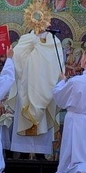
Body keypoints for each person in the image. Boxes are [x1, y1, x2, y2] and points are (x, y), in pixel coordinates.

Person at [8, 19, 65, 159]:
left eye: (45, 21)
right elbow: (17, 61)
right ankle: (23, 154)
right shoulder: (26, 39)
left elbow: (57, 65)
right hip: (26, 89)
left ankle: (40, 156)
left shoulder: (54, 41)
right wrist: (33, 47)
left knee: (42, 126)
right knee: (26, 121)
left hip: (45, 87)